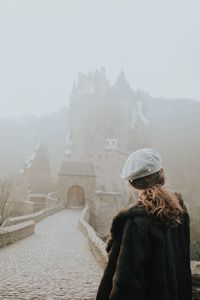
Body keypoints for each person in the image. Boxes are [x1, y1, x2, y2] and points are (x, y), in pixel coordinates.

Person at [96, 148, 192, 300]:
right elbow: (182, 264)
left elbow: (126, 286)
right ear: (162, 174)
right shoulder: (180, 212)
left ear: (132, 184)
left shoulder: (137, 222)